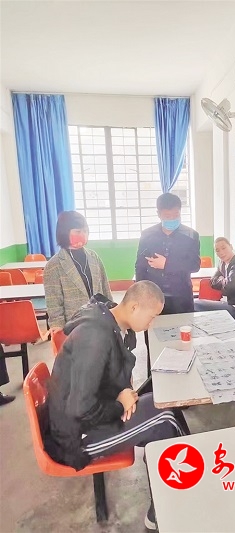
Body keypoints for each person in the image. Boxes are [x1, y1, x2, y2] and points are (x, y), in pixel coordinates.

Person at [45, 281, 189, 530]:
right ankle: (168, 506)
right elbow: (80, 408)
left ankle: (175, 488)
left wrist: (122, 395)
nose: (152, 323)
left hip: (94, 412)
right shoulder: (95, 337)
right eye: (152, 317)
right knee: (164, 421)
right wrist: (120, 405)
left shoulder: (111, 321)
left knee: (165, 405)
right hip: (75, 437)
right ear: (134, 307)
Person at [44, 211, 112, 334]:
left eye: (85, 231)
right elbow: (54, 302)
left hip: (100, 321)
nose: (83, 235)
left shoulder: (93, 257)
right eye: (78, 231)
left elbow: (105, 288)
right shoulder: (54, 265)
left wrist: (112, 311)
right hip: (74, 327)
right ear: (65, 232)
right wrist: (58, 328)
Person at [135, 193, 200, 315]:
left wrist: (167, 264)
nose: (172, 219)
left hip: (181, 296)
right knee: (154, 325)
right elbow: (140, 266)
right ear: (159, 214)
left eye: (176, 215)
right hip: (154, 295)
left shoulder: (191, 235)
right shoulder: (147, 235)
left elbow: (194, 265)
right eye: (168, 216)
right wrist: (140, 292)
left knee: (184, 325)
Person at [194, 237, 235, 324]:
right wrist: (223, 280)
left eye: (224, 248)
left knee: (195, 304)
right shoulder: (222, 262)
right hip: (226, 304)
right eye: (217, 250)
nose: (221, 252)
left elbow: (229, 287)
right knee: (196, 304)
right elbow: (213, 281)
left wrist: (222, 280)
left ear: (231, 247)